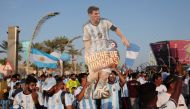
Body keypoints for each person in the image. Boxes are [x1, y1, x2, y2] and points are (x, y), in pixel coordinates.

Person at [83, 5, 130, 99]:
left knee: (105, 72)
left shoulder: (105, 22)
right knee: (94, 75)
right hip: (95, 54)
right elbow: (87, 42)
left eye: (99, 13)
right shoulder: (87, 27)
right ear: (90, 15)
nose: (98, 15)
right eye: (96, 14)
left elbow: (115, 29)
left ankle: (98, 91)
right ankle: (88, 89)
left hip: (105, 53)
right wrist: (88, 54)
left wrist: (123, 37)